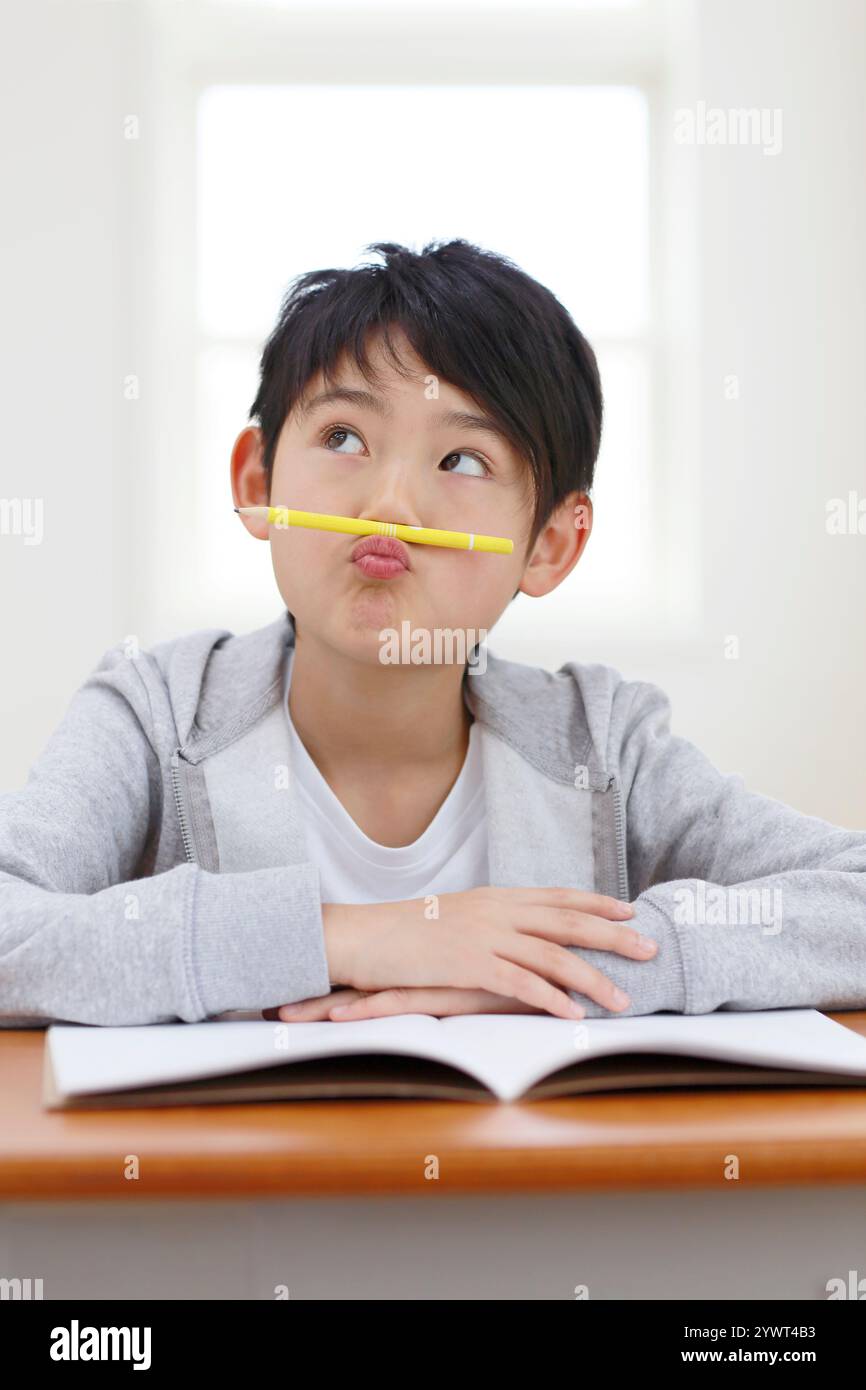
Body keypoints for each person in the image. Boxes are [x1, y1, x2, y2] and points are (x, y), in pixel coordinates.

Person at [2, 239, 865, 1028]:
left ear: (552, 544)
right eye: (343, 437)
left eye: (462, 461)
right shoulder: (152, 715)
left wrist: (567, 969)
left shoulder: (606, 745)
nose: (390, 507)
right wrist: (346, 938)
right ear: (259, 481)